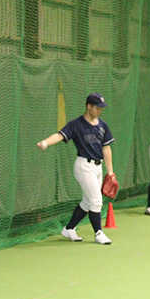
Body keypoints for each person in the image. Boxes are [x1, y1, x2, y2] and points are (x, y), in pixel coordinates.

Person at [37, 92, 115, 245]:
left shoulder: (102, 125)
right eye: (97, 108)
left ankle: (69, 228)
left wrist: (110, 172)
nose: (100, 110)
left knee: (87, 202)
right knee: (96, 200)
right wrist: (45, 142)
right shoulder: (76, 124)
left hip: (98, 167)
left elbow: (106, 148)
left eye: (101, 108)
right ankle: (98, 233)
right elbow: (60, 135)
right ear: (88, 106)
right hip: (84, 166)